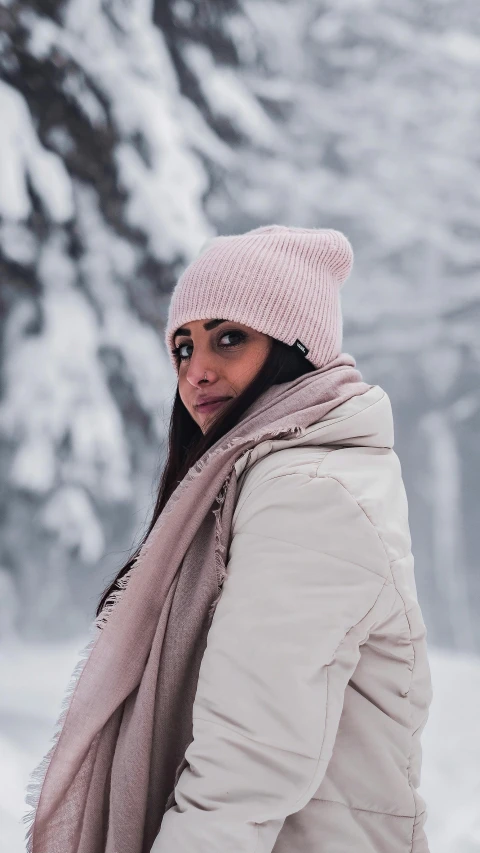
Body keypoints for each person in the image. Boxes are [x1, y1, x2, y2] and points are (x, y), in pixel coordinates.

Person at [25, 225, 432, 853]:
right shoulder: (274, 479)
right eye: (183, 347)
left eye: (230, 338)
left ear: (295, 351)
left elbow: (246, 764)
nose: (197, 371)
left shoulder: (309, 491)